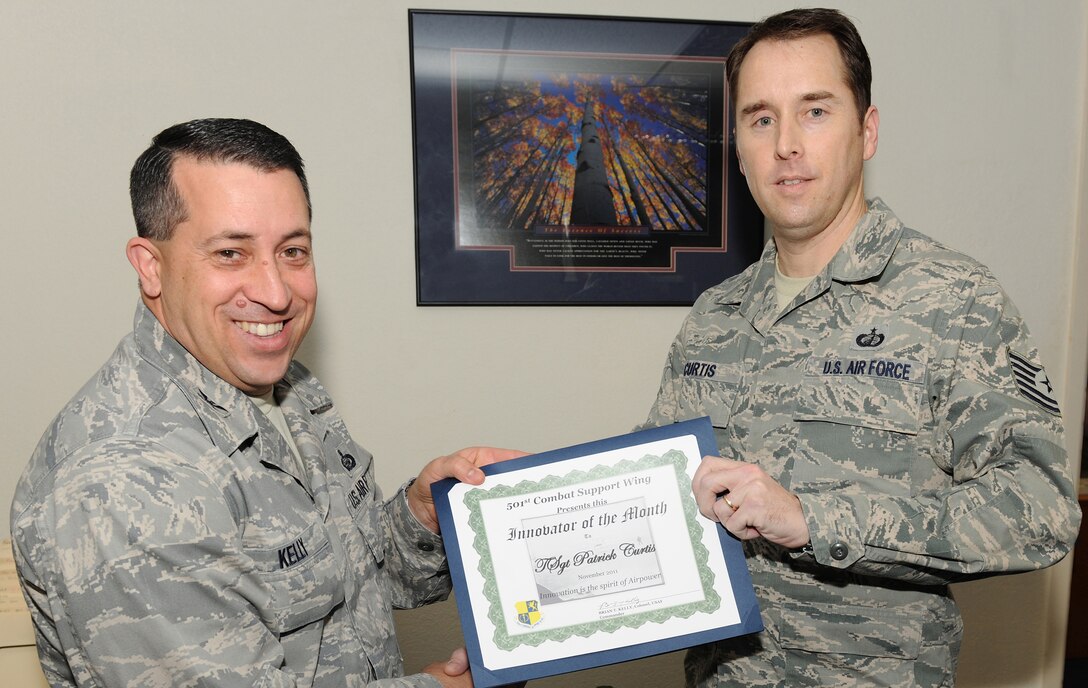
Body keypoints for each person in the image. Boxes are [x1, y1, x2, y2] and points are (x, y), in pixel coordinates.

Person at [642, 8, 1081, 687]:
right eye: (761, 119)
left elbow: (1041, 509)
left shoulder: (955, 300)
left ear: (866, 130)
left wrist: (815, 519)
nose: (787, 143)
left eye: (814, 112)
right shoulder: (713, 320)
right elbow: (656, 499)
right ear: (738, 144)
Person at [10, 118, 522, 687]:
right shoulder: (128, 479)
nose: (276, 293)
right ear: (151, 266)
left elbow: (343, 583)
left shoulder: (283, 387)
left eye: (293, 251)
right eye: (231, 253)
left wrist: (422, 517)